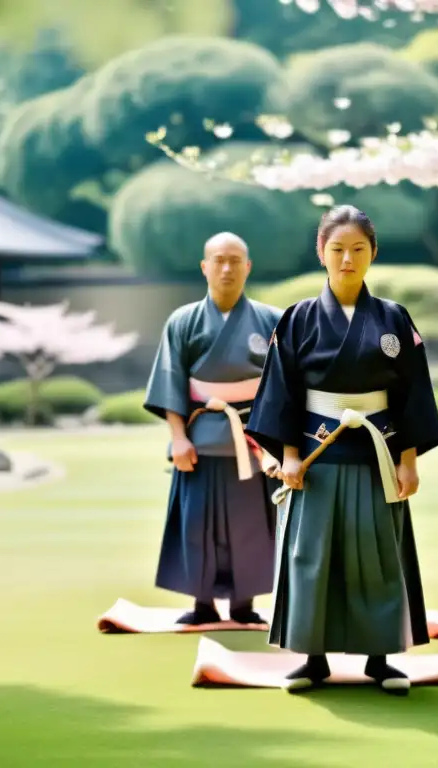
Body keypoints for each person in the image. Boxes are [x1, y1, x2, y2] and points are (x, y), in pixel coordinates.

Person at [245, 205, 438, 695]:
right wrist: (288, 455)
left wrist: (409, 462)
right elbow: (282, 393)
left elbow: (412, 394)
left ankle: (380, 659)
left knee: (377, 555)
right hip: (317, 453)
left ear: (373, 253)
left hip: (379, 453)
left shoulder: (394, 318)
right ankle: (313, 659)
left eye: (358, 249)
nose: (347, 259)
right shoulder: (298, 319)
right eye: (337, 250)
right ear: (321, 253)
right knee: (313, 555)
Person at [143, 232, 283, 627]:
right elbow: (170, 379)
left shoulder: (271, 320)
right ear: (204, 266)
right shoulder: (183, 321)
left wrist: (276, 443)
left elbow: (282, 387)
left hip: (253, 441)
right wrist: (178, 437)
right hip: (201, 438)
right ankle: (201, 603)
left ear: (248, 267)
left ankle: (244, 604)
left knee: (251, 527)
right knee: (196, 526)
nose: (226, 268)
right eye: (219, 260)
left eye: (235, 260)